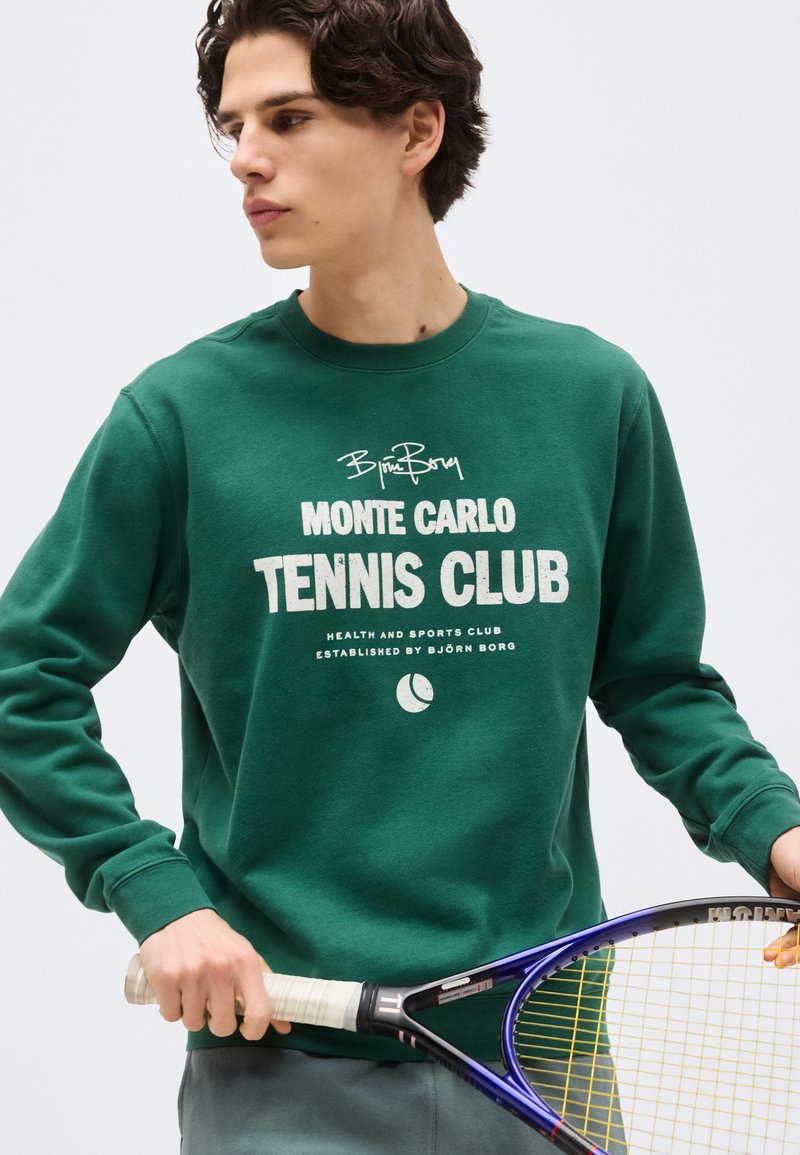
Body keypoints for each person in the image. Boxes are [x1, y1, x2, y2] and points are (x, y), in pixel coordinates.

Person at [1, 1, 798, 1151]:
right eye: (232, 125)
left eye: (288, 118)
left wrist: (773, 830)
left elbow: (654, 680)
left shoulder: (588, 398)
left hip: (542, 1055)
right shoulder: (182, 419)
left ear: (416, 130)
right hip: (283, 1057)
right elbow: (23, 678)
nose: (245, 158)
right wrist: (154, 894)